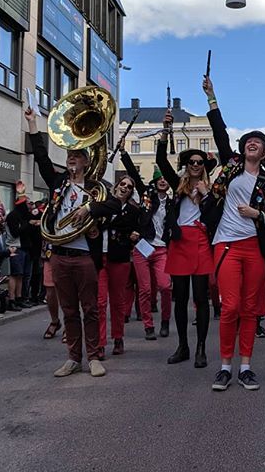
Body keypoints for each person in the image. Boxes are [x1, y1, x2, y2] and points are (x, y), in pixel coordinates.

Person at [25, 106, 121, 378]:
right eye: (69, 155)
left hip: (84, 257)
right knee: (68, 310)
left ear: (85, 163)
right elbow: (42, 159)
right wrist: (33, 125)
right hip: (59, 254)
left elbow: (114, 206)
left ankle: (93, 357)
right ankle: (73, 358)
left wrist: (89, 209)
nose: (71, 159)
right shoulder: (58, 183)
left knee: (90, 309)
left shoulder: (96, 187)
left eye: (77, 156)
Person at [202, 75, 265, 392]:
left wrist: (258, 214)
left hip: (255, 248)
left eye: (259, 141)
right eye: (249, 139)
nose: (252, 142)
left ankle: (246, 367)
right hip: (226, 245)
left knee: (251, 308)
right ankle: (224, 366)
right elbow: (220, 132)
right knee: (231, 306)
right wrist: (212, 96)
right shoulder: (233, 166)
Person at [156, 111, 217, 368]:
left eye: (199, 161)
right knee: (179, 297)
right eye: (191, 161)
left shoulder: (211, 189)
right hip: (180, 242)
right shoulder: (177, 185)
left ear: (204, 166)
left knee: (201, 297)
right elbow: (160, 159)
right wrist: (166, 130)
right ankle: (183, 345)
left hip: (201, 241)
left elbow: (215, 216)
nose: (195, 164)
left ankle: (201, 347)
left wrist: (207, 195)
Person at [120, 153, 173, 343]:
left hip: (162, 249)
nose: (162, 181)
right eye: (159, 179)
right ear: (155, 181)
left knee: (165, 287)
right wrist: (124, 154)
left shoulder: (173, 203)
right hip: (143, 247)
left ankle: (165, 322)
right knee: (144, 290)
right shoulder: (146, 196)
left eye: (165, 179)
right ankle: (148, 326)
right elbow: (134, 173)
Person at [97, 174, 142, 357]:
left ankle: (118, 337)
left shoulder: (133, 211)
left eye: (129, 186)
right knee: (100, 302)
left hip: (120, 258)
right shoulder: (104, 203)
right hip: (100, 257)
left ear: (131, 192)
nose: (125, 187)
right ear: (116, 186)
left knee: (118, 301)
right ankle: (100, 343)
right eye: (122, 184)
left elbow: (141, 228)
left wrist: (134, 234)